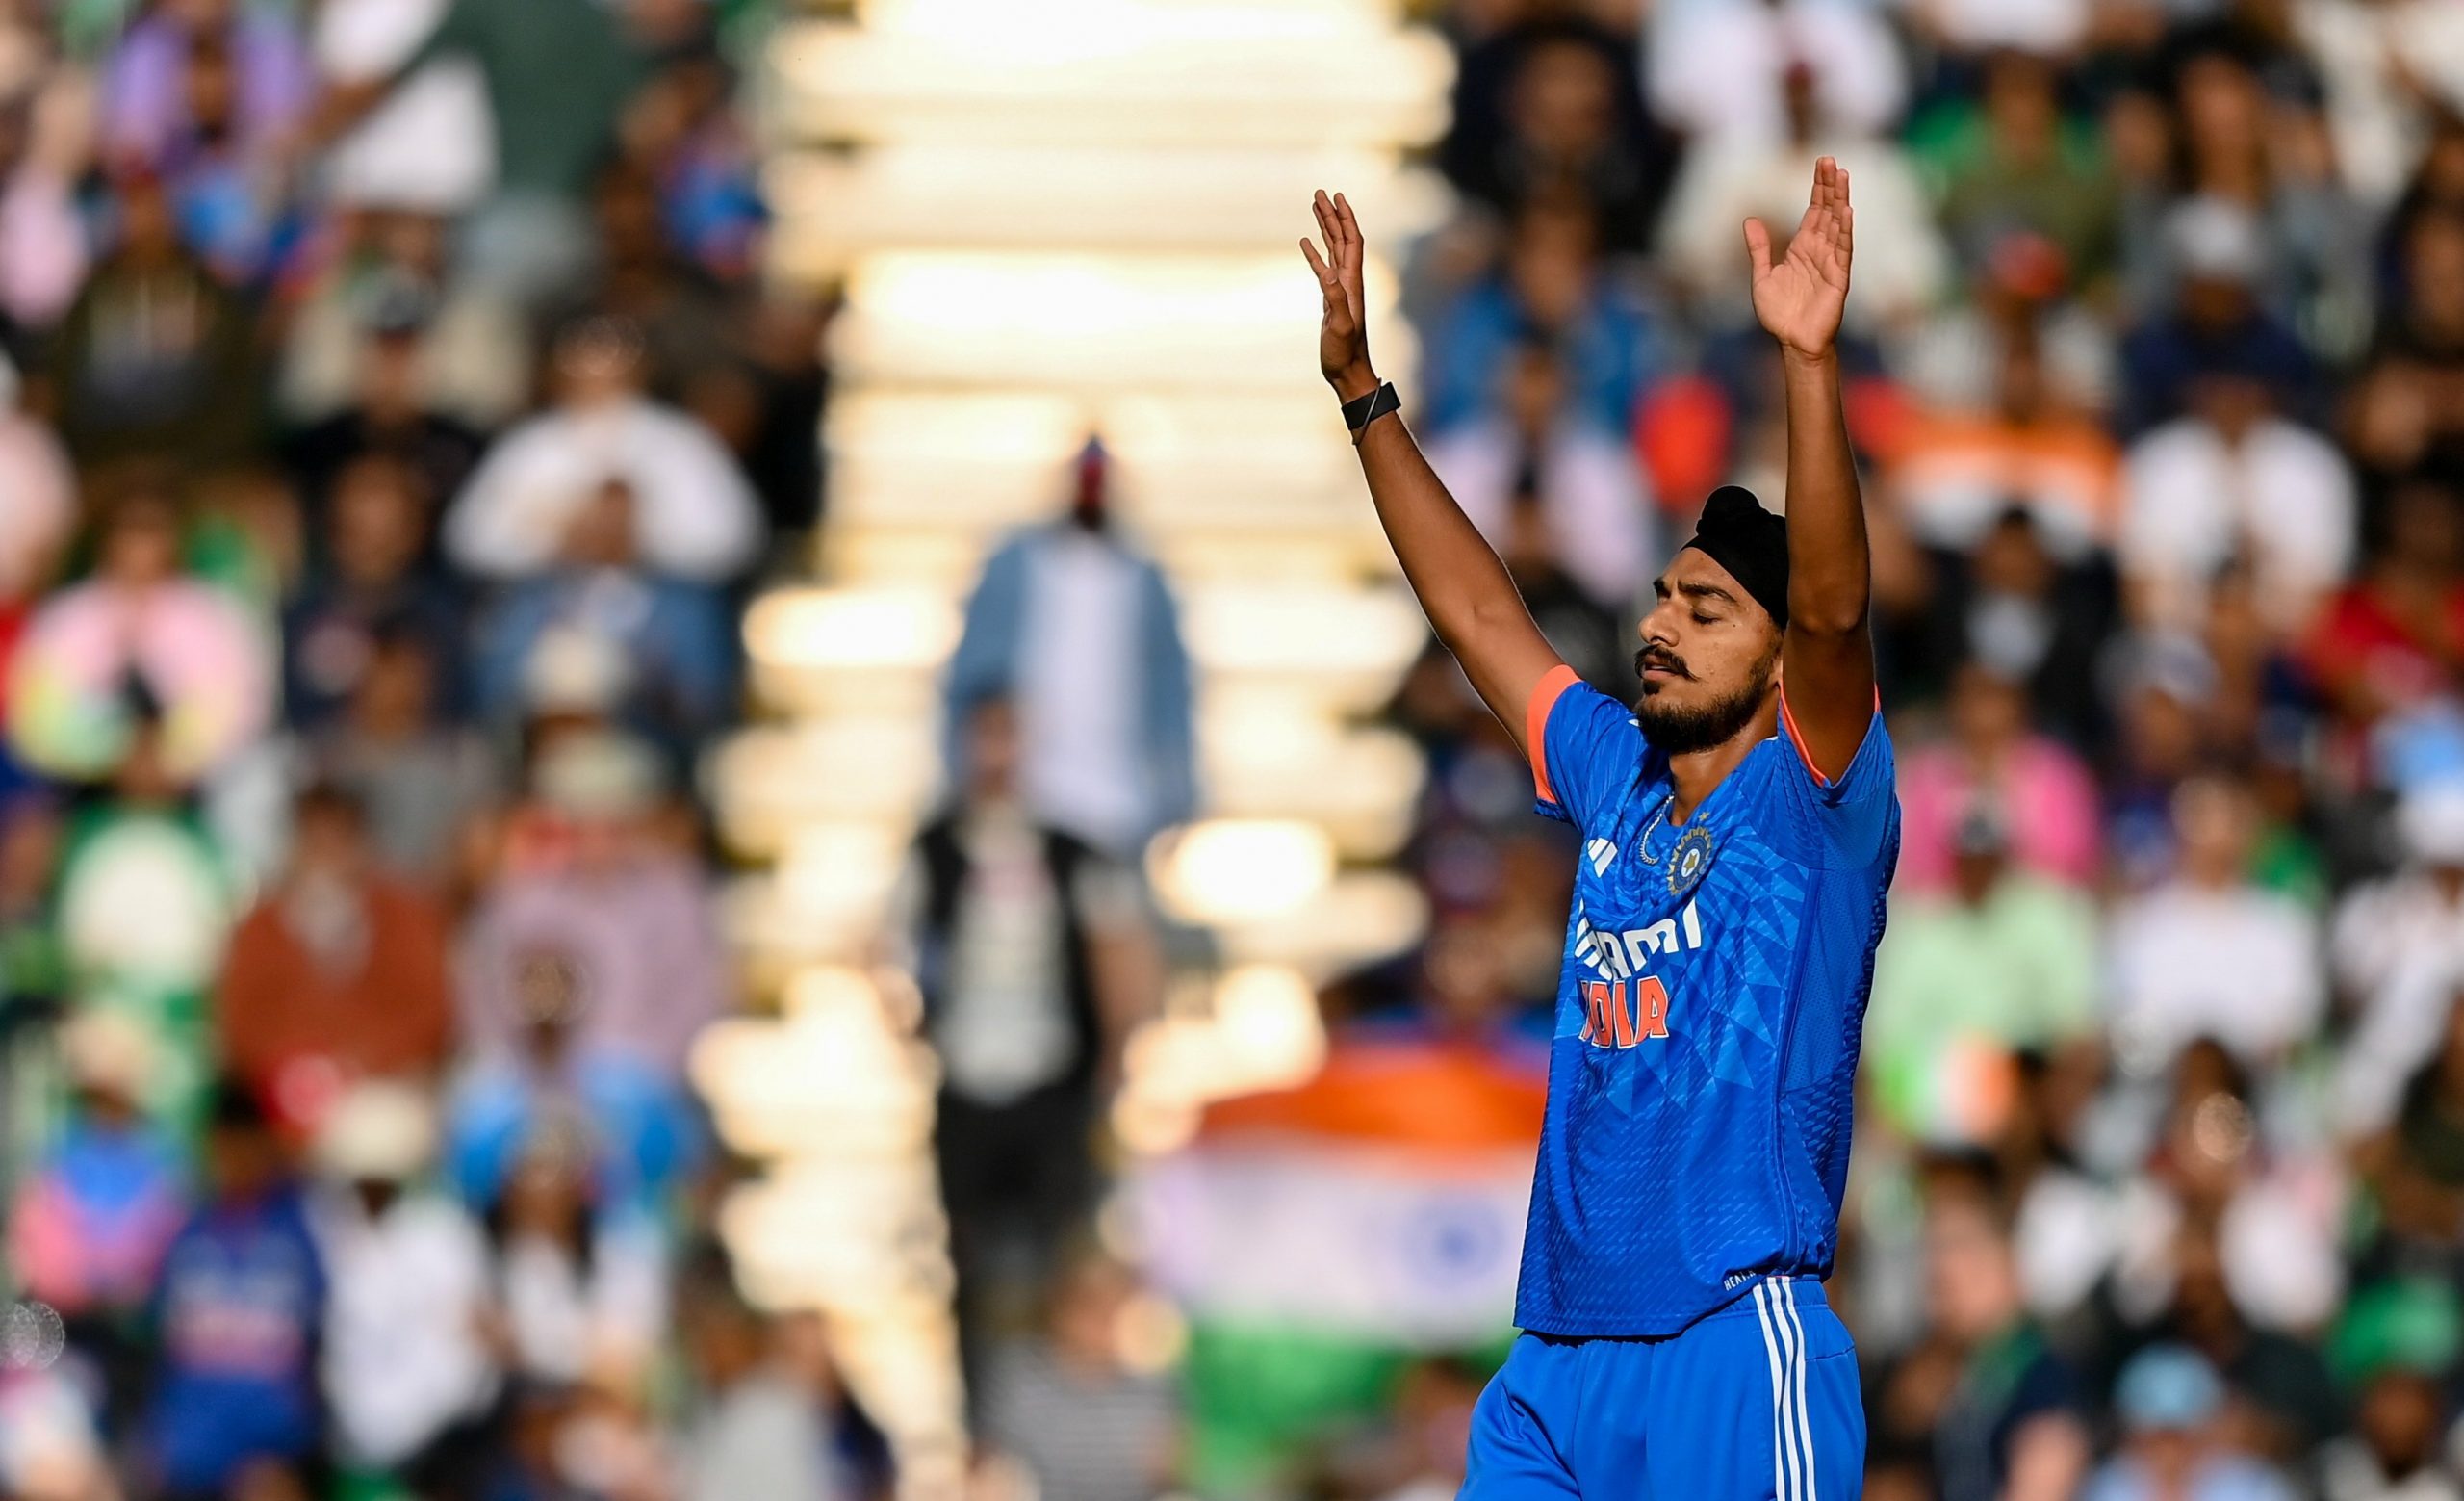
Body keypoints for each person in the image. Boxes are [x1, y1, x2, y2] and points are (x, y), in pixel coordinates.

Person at [1300, 158, 1896, 1498]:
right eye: (1661, 599)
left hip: (1733, 1352)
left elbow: (1838, 615)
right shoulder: (1616, 774)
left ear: (1777, 659)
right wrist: (1362, 396)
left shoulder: (1815, 795)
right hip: (1554, 1370)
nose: (1656, 629)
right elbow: (1481, 618)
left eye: (1704, 610)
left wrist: (1806, 363)